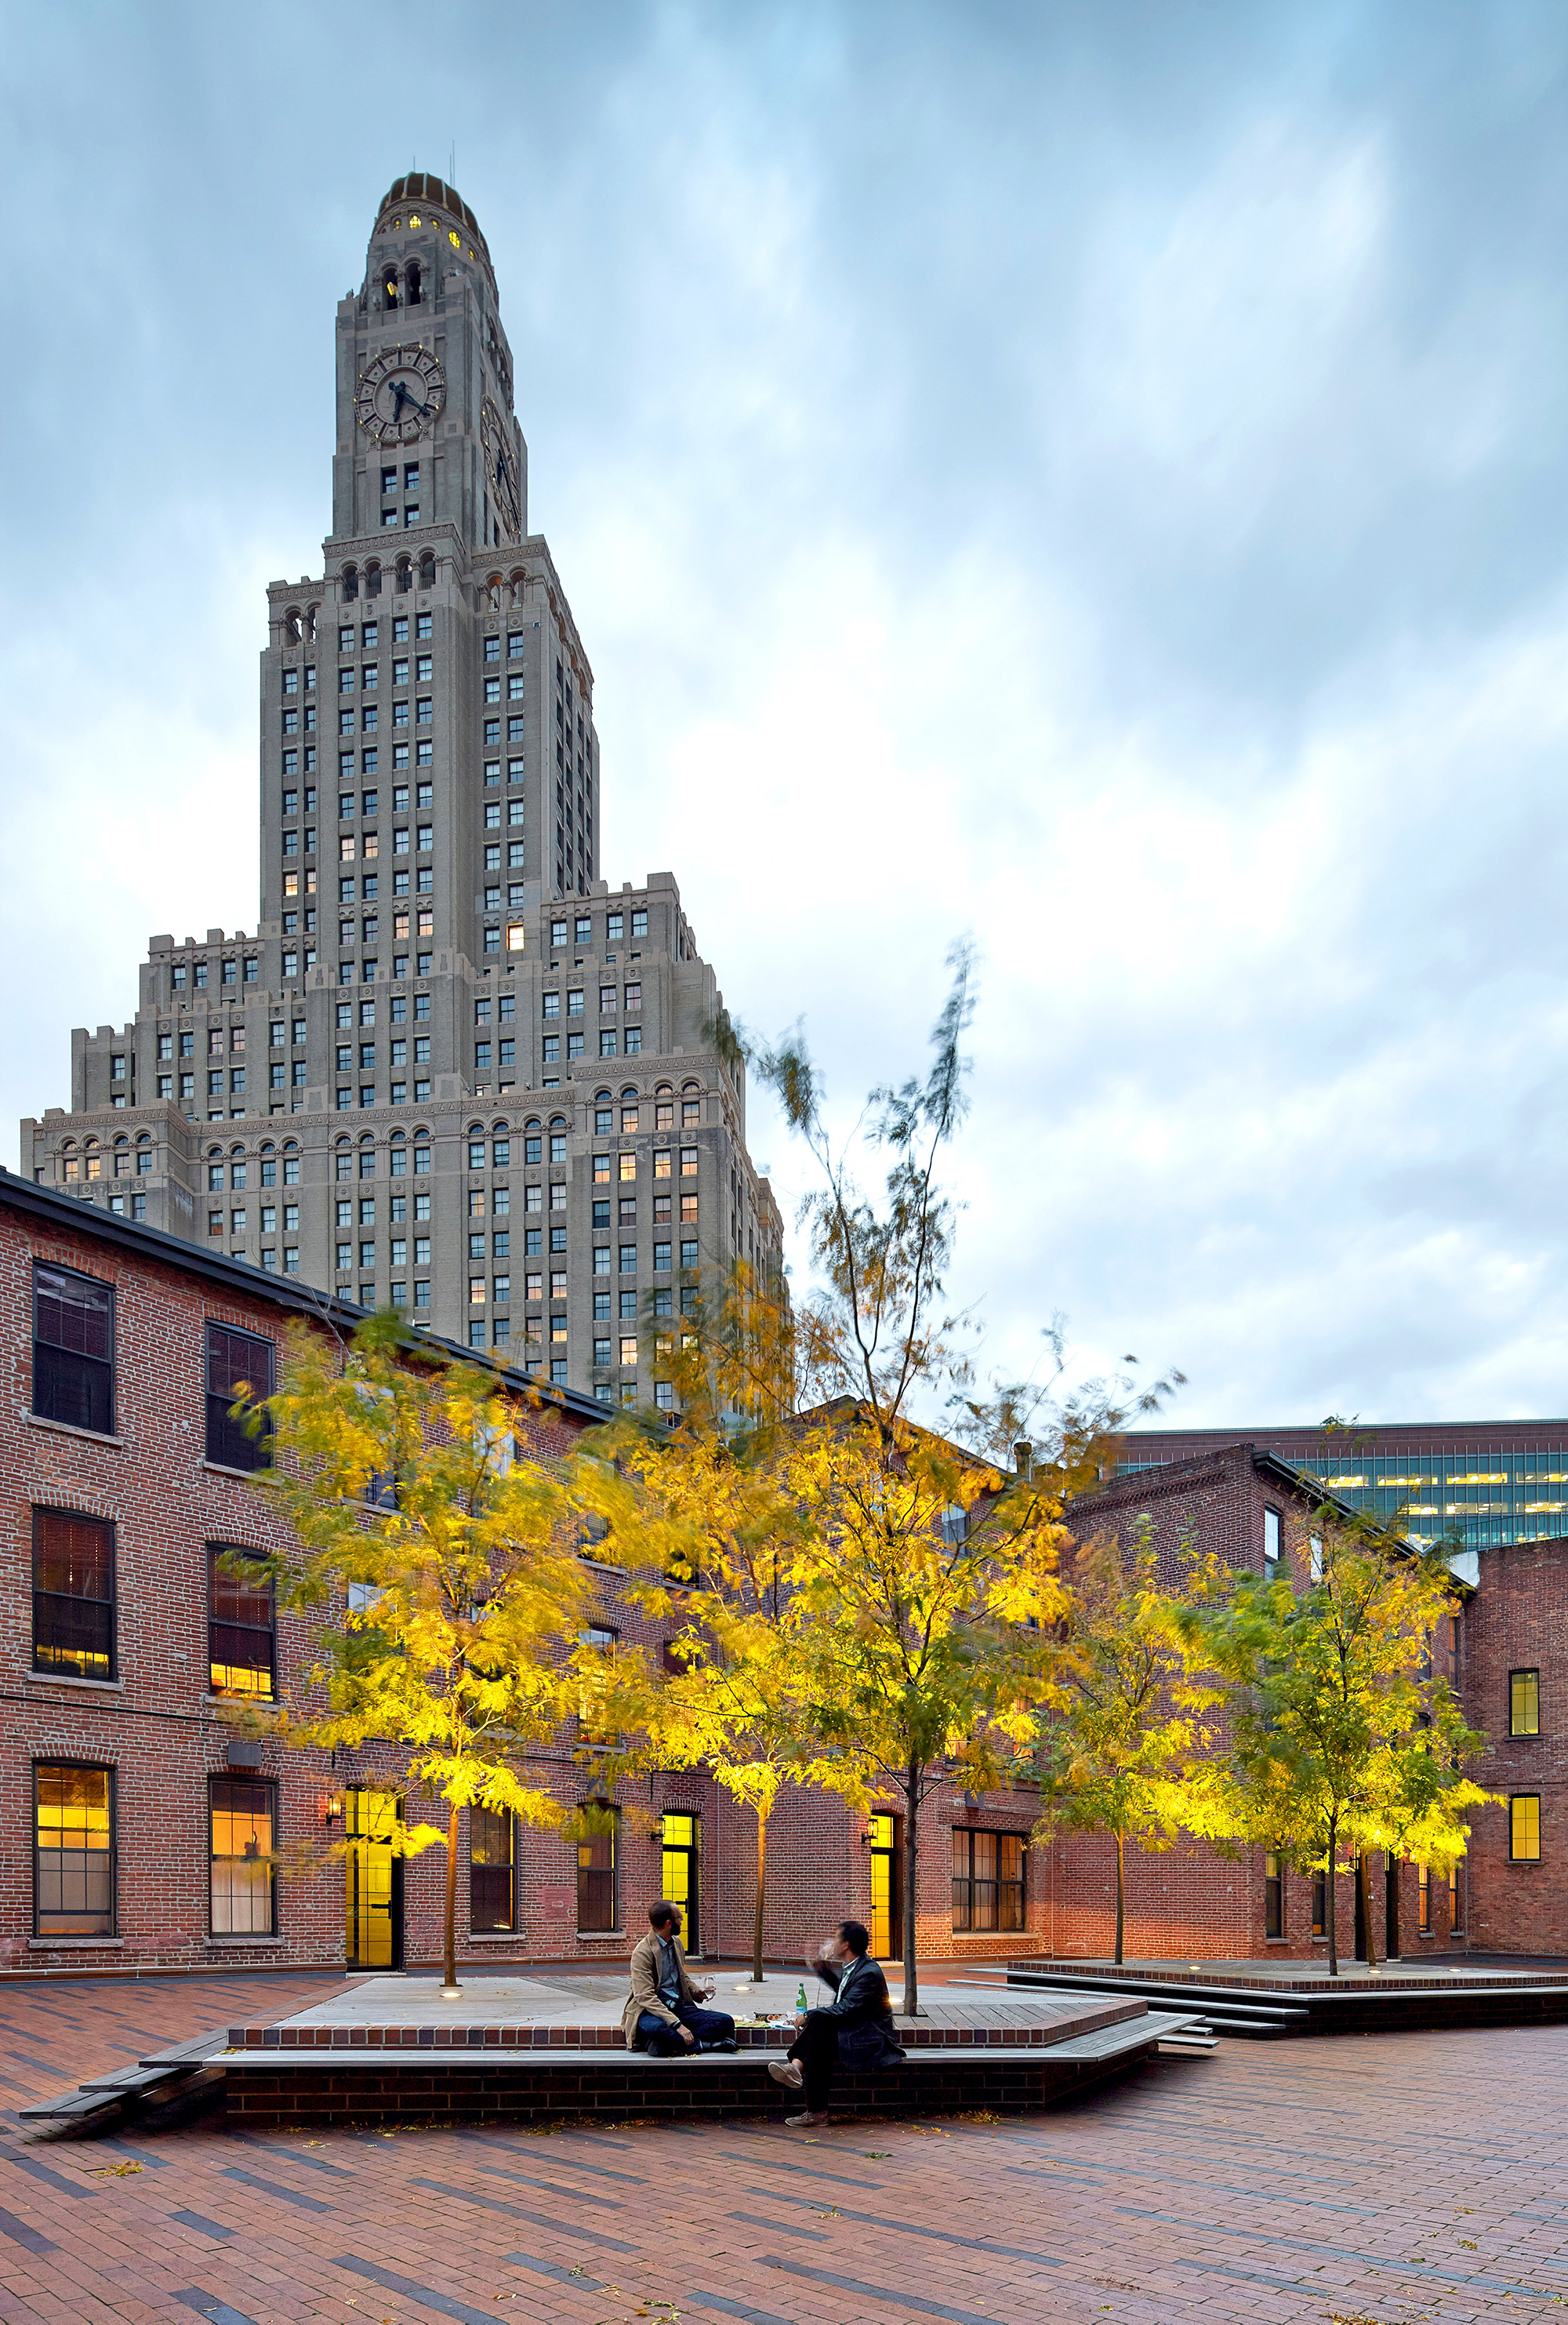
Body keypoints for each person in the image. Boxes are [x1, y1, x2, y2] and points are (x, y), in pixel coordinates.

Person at [768, 1918, 905, 2125]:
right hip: (855, 2031)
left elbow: (846, 2008)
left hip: (869, 2039)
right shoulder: (857, 1967)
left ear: (846, 1945)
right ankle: (813, 2105)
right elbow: (844, 1989)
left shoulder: (869, 1973)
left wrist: (809, 2014)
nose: (832, 1943)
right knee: (818, 2043)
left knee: (819, 2025)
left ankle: (799, 2076)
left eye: (835, 1939)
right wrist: (821, 1966)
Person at [622, 1899, 738, 2055]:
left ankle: (665, 2045)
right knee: (657, 2029)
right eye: (679, 1918)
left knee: (725, 2022)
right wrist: (677, 2025)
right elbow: (645, 1997)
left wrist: (697, 1991)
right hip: (651, 2011)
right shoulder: (642, 1952)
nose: (682, 1921)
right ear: (669, 1923)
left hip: (677, 2007)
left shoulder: (676, 1943)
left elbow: (682, 1976)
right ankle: (705, 2045)